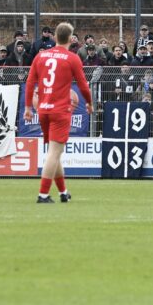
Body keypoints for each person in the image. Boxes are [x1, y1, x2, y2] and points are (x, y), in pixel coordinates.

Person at [23, 22, 93, 203]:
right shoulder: (72, 58)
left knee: (55, 152)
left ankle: (63, 192)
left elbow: (30, 82)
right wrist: (90, 104)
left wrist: (28, 108)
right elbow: (84, 86)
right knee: (54, 153)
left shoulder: (41, 56)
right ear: (71, 39)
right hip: (60, 111)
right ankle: (43, 194)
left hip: (43, 110)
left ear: (55, 37)